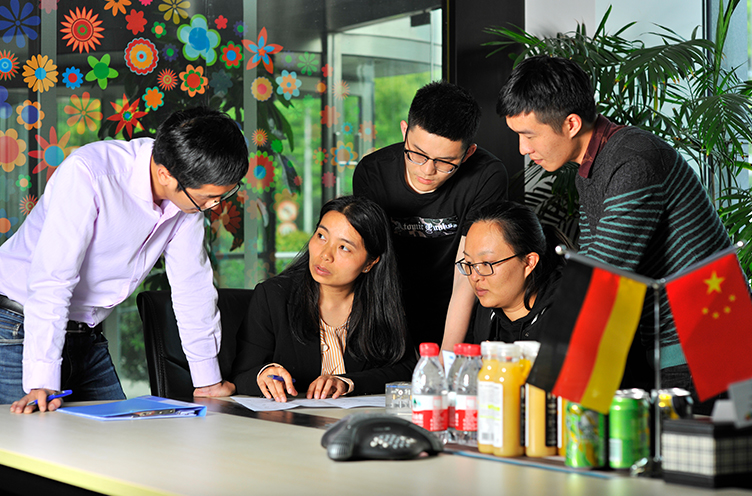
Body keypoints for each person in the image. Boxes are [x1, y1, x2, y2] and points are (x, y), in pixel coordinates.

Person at [496, 55, 731, 405]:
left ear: (571, 124)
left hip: (704, 348)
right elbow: (591, 266)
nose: (523, 149)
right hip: (670, 347)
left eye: (528, 135)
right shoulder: (595, 166)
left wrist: (538, 375)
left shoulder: (633, 161)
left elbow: (601, 278)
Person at [0, 107, 249, 413]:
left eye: (222, 196)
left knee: (117, 436)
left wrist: (207, 380)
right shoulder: (90, 173)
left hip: (85, 333)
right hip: (18, 327)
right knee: (31, 436)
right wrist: (41, 378)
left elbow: (192, 286)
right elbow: (53, 279)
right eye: (207, 197)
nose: (214, 206)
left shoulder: (186, 198)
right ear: (165, 175)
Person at [353, 81, 508, 354]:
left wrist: (446, 357)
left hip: (457, 306)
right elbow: (370, 260)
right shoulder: (373, 172)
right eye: (417, 154)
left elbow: (467, 272)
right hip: (389, 306)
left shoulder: (486, 176)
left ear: (468, 153)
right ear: (404, 131)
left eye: (445, 162)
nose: (427, 171)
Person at [229, 196, 415, 402]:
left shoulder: (382, 303)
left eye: (344, 247)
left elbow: (406, 369)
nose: (325, 255)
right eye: (321, 236)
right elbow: (241, 374)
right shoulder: (273, 296)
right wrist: (263, 374)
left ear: (370, 263)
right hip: (291, 419)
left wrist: (347, 382)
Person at [459, 201, 568, 344]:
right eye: (469, 263)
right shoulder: (486, 311)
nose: (474, 277)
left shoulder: (568, 316)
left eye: (487, 263)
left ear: (529, 263)